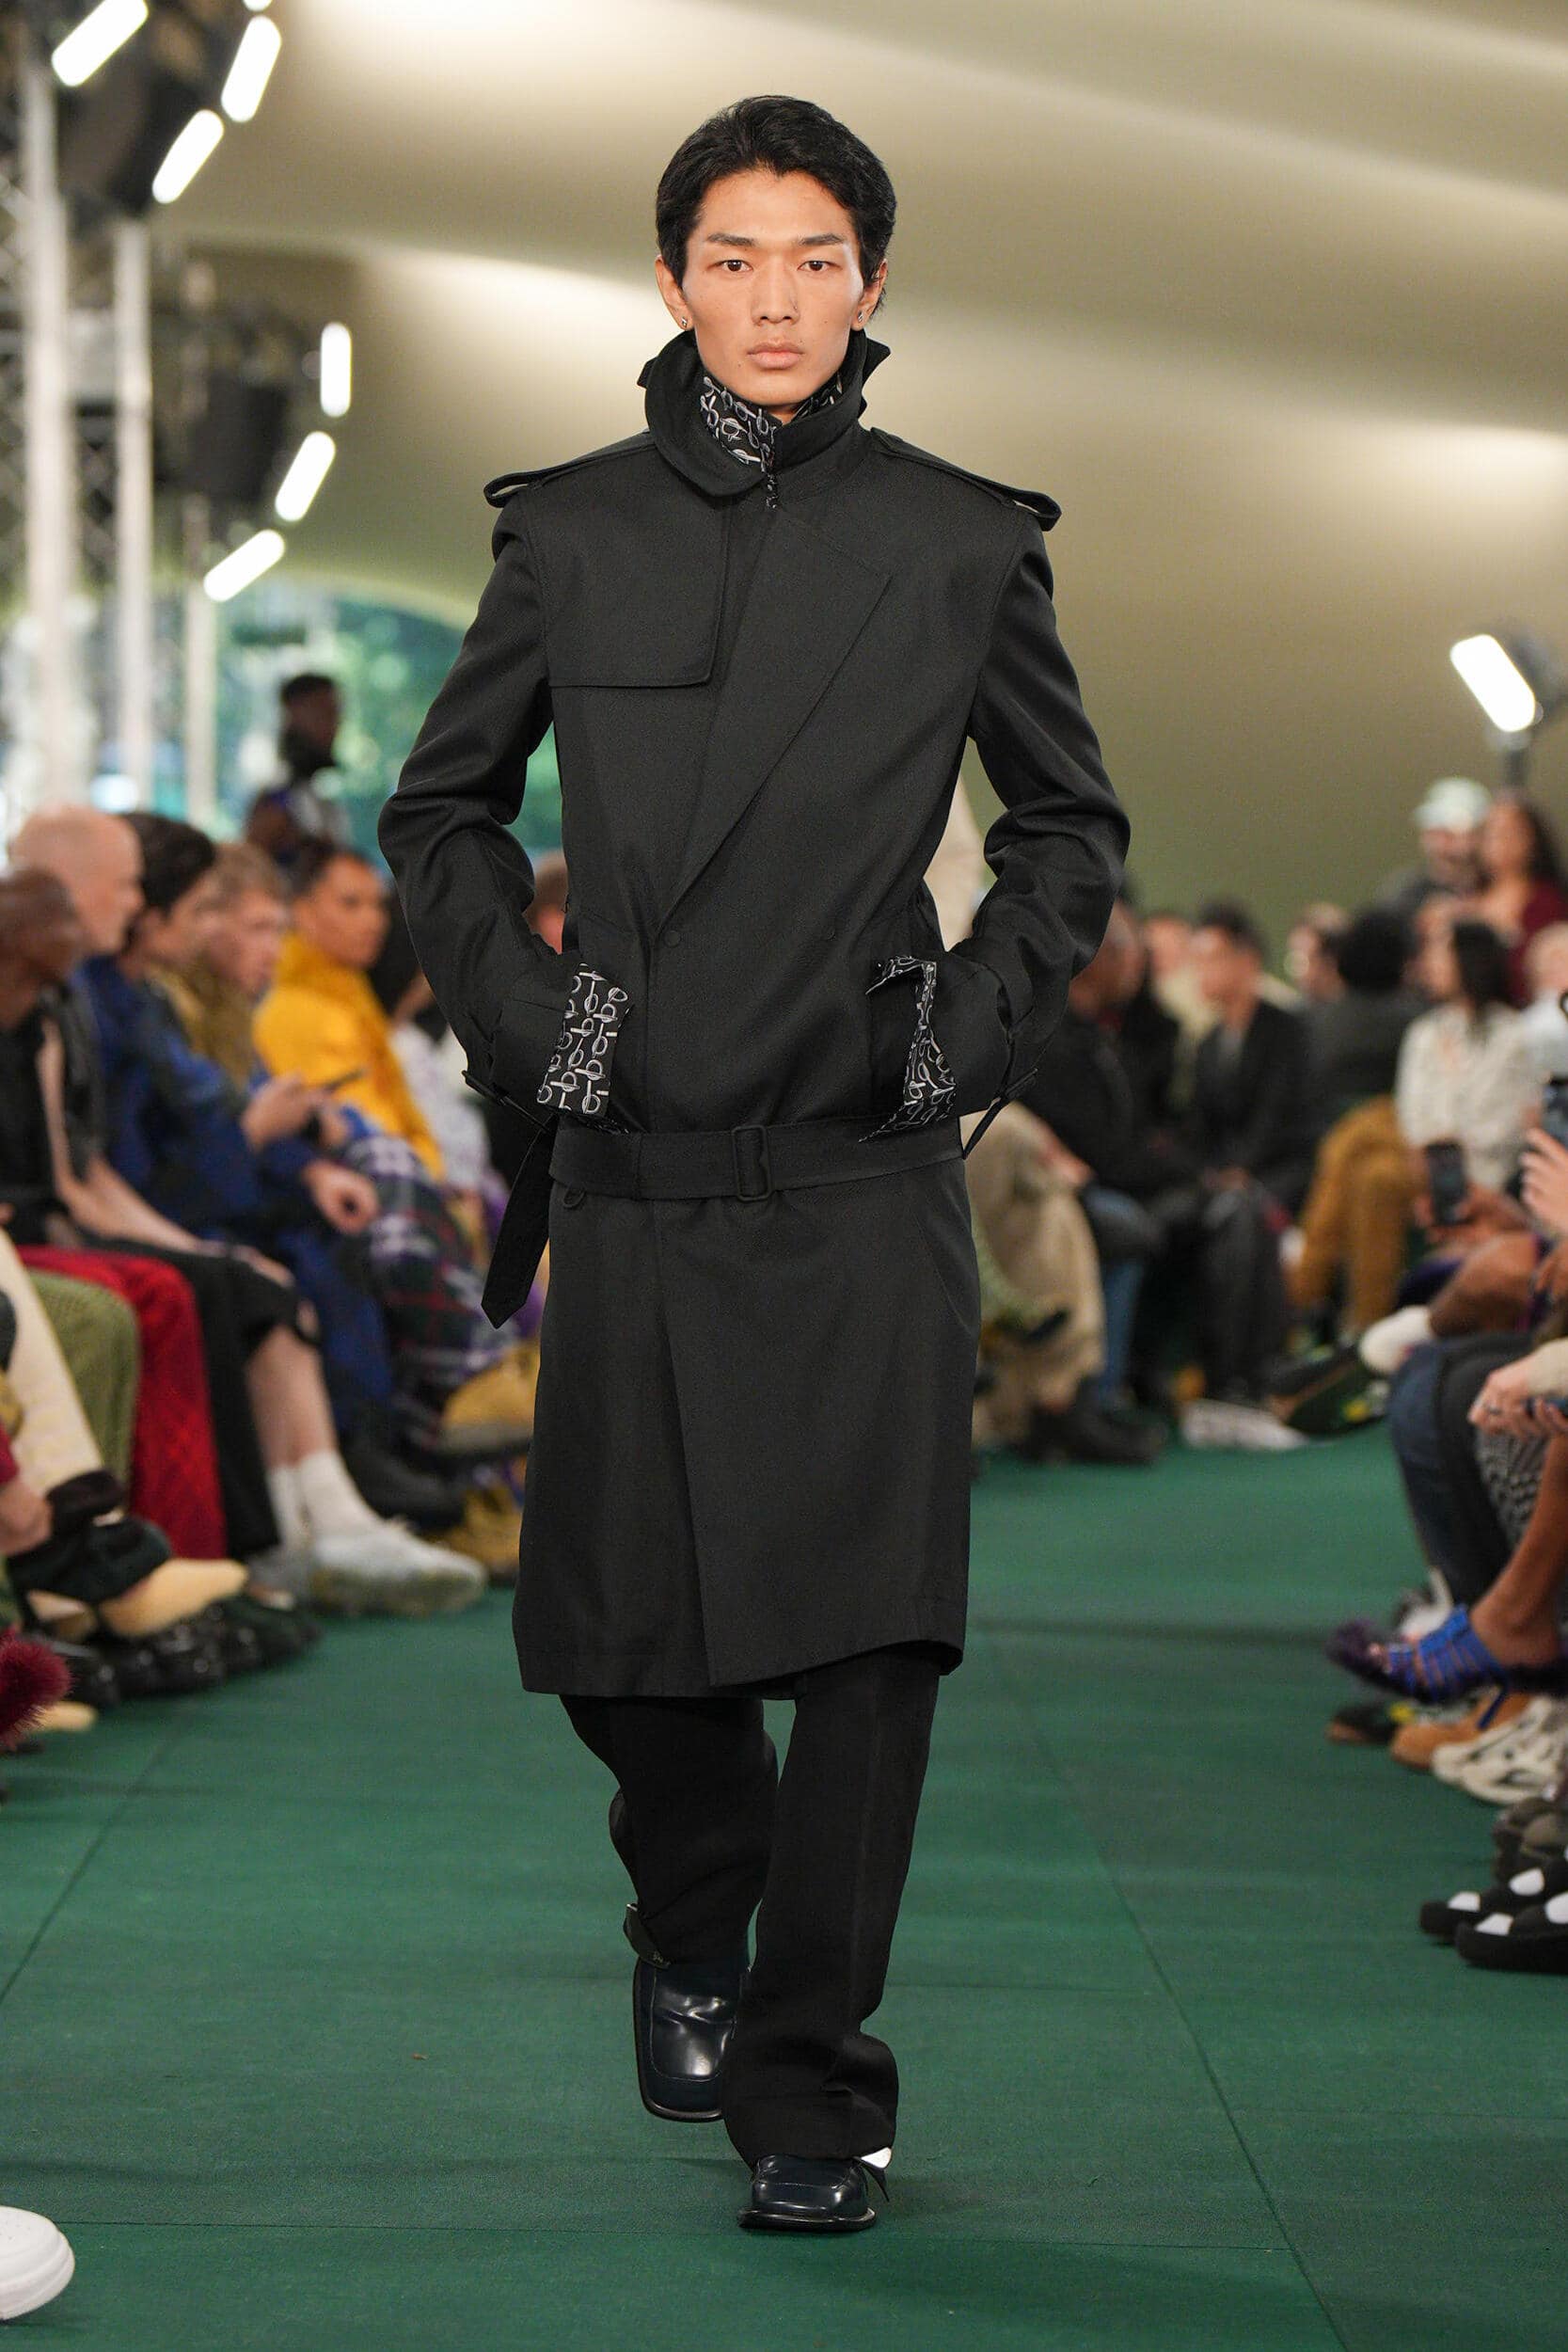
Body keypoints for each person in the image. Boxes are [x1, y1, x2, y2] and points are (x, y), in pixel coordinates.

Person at [379, 94, 1127, 2234]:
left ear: (871, 281)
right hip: (634, 1153)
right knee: (625, 1648)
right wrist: (542, 1028)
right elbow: (438, 815)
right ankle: (696, 1914)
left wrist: (956, 1032)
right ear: (672, 278)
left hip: (858, 1158)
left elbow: (1068, 828)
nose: (774, 298)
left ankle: (812, 2082)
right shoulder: (568, 529)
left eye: (814, 260)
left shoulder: (961, 538)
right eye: (733, 257)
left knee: (873, 1648)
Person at [253, 839, 443, 1176]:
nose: (373, 921)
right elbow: (363, 1135)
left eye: (378, 905)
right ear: (302, 912)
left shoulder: (349, 998)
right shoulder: (300, 1013)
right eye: (351, 904)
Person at [1395, 915, 1539, 1197]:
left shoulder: (1512, 1034)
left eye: (1440, 953)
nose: (1429, 963)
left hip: (1497, 1182)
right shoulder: (1424, 1033)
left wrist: (1457, 1144)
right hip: (1432, 1178)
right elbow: (1412, 1118)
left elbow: (1513, 1122)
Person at [1188, 901, 1314, 1213]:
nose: (1201, 971)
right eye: (1196, 960)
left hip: (1281, 1171)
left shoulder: (1287, 1029)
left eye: (1212, 958)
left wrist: (1242, 1169)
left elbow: (1279, 1115)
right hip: (1224, 1177)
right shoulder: (1208, 1043)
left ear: (1247, 960)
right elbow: (1203, 1125)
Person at [1462, 792, 1568, 1007]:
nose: (1499, 842)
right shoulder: (1465, 902)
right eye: (1491, 832)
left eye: (1510, 832)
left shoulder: (1548, 902)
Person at [242, 673, 350, 870]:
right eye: (324, 714)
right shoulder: (276, 799)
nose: (334, 727)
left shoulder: (314, 798)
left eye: (335, 715)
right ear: (292, 715)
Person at [1375, 775, 1490, 931]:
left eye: (1450, 833)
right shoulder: (1406, 893)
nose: (1441, 844)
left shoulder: (1499, 888)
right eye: (1435, 832)